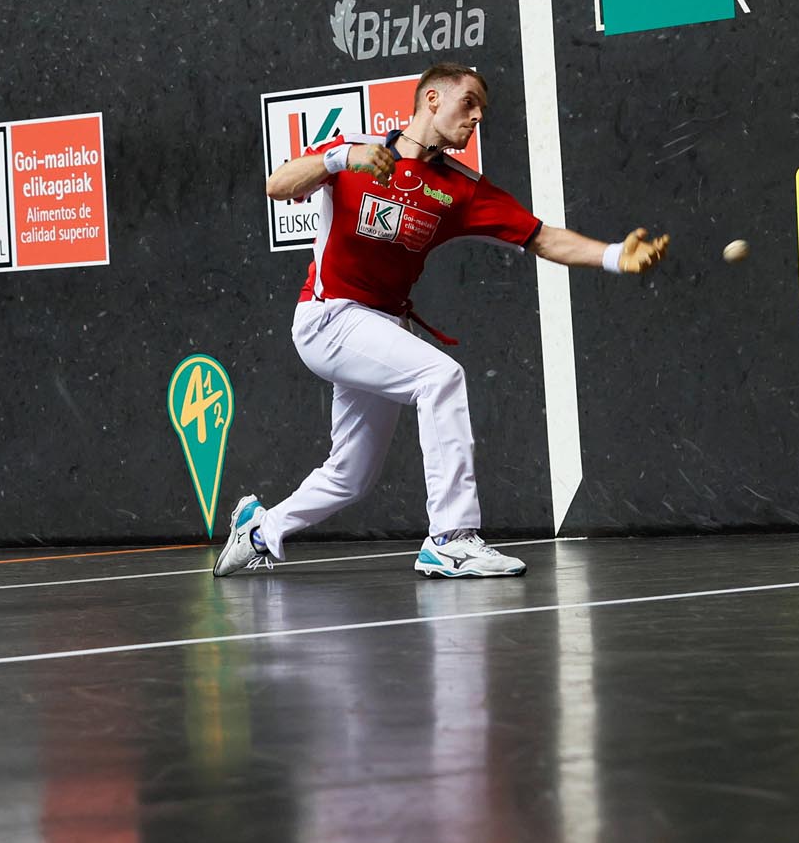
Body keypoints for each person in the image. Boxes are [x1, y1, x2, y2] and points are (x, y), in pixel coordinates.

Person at [216, 62, 669, 579]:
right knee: (441, 377)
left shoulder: (461, 189)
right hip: (328, 319)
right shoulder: (359, 148)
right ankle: (450, 539)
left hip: (381, 330)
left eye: (481, 110)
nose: (476, 117)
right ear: (431, 100)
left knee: (351, 475)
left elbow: (542, 236)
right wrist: (342, 158)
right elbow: (278, 184)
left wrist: (614, 256)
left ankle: (257, 531)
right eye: (468, 103)